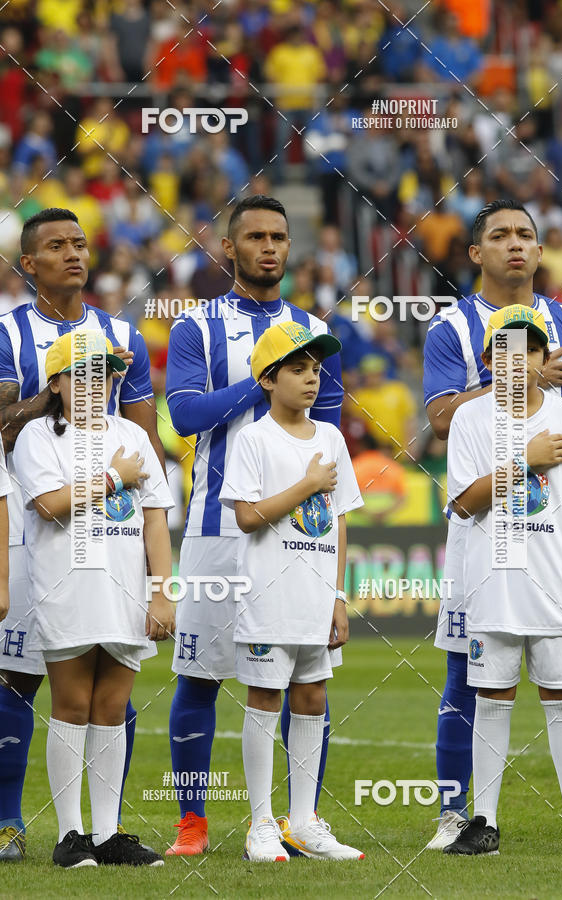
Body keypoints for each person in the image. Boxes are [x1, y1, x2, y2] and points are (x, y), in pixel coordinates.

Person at [166, 195, 343, 856]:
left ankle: (297, 822)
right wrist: (262, 380)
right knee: (200, 677)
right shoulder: (196, 327)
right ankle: (193, 822)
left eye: (279, 236)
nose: (270, 247)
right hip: (217, 530)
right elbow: (185, 417)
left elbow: (326, 433)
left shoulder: (314, 328)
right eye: (256, 237)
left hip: (299, 531)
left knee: (305, 679)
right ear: (230, 250)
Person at [423, 199, 562, 848]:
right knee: (467, 681)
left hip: (555, 535)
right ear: (476, 252)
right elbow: (441, 417)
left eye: (526, 234)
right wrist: (510, 376)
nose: (516, 245)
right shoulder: (452, 328)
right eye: (500, 235)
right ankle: (459, 813)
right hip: (485, 546)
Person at [0, 207, 164, 861]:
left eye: (80, 243)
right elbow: (4, 426)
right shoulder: (9, 332)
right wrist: (51, 396)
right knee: (18, 677)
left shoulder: (121, 332)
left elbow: (141, 432)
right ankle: (14, 822)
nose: (73, 253)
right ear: (28, 262)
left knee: (108, 691)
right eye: (57, 245)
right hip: (27, 518)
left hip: (113, 538)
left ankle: (103, 830)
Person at [219, 320, 364, 861]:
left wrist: (337, 596)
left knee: (312, 698)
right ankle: (261, 824)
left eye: (316, 370)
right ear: (267, 379)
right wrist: (305, 484)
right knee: (264, 699)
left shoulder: (331, 438)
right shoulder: (254, 439)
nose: (312, 380)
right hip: (267, 597)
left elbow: (339, 519)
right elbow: (248, 517)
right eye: (298, 370)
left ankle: (302, 822)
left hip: (315, 596)